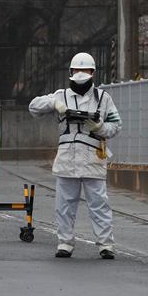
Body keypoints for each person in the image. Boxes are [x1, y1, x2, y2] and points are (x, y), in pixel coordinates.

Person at [28, 52, 122, 259]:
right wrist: (53, 103)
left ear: (93, 73)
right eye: (78, 70)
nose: (81, 74)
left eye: (85, 70)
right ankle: (65, 242)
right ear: (70, 72)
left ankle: (106, 244)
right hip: (67, 159)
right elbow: (33, 107)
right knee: (64, 204)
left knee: (99, 204)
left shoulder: (103, 98)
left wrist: (99, 127)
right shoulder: (60, 95)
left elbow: (116, 125)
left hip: (93, 158)